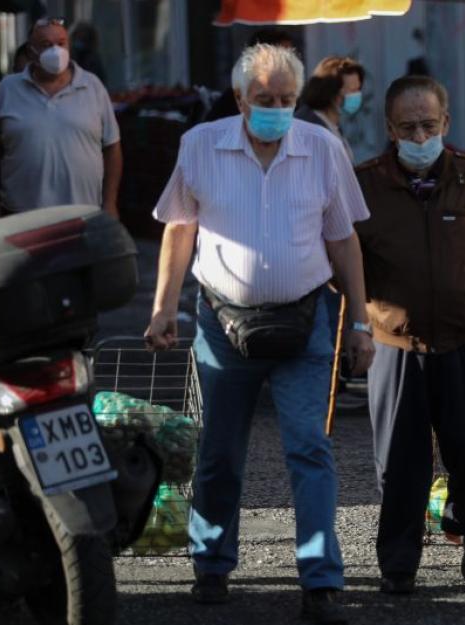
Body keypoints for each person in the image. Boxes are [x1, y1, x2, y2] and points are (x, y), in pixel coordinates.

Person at [145, 43, 374, 625]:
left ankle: (321, 580)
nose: (275, 109)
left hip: (306, 320)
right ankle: (212, 564)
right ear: (241, 98)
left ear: (299, 100)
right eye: (264, 99)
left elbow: (343, 239)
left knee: (310, 447)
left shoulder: (322, 147)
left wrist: (362, 322)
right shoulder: (201, 145)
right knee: (219, 452)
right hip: (223, 324)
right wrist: (163, 308)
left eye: (286, 100)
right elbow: (179, 228)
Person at [354, 75, 465, 595]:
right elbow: (346, 263)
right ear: (390, 129)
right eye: (408, 127)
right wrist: (360, 321)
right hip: (395, 342)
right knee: (400, 461)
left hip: (461, 337)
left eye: (429, 124)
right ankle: (398, 563)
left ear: (447, 123)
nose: (420, 136)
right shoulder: (364, 184)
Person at [0, 17, 121, 218]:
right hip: (21, 216)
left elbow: (112, 147)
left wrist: (110, 202)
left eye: (61, 43)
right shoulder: (7, 90)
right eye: (46, 45)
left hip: (84, 214)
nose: (56, 51)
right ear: (31, 52)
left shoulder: (92, 86)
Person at [205, 28, 295, 122]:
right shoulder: (233, 101)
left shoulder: (293, 96)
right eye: (284, 57)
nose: (291, 63)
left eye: (292, 57)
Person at [296, 56, 365, 161]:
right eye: (352, 90)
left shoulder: (333, 124)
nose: (357, 95)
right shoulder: (308, 128)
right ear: (331, 92)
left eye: (358, 89)